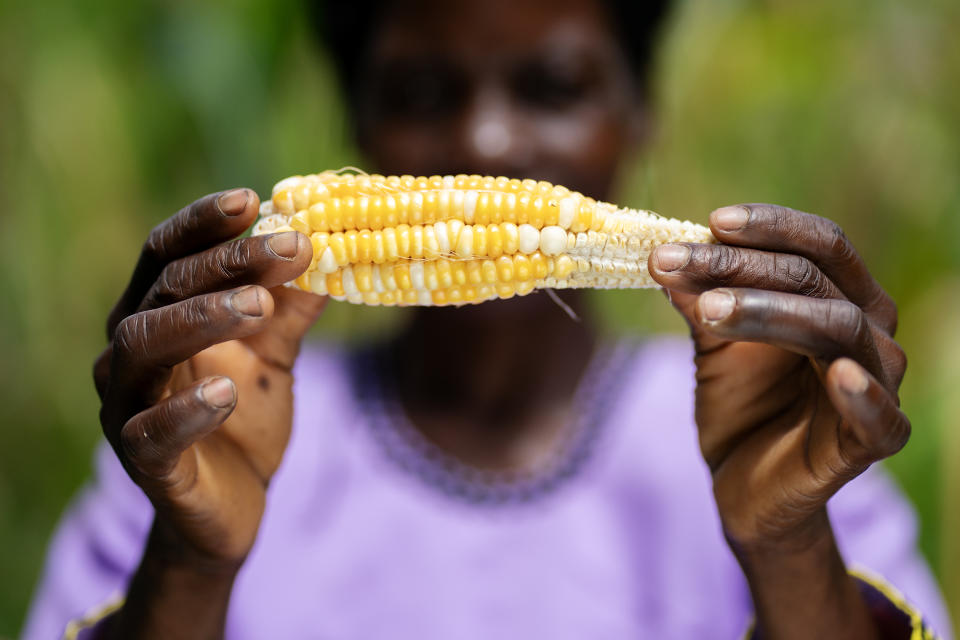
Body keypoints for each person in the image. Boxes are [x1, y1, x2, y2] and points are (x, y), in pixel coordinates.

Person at [22, 0, 953, 638]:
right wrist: (188, 564)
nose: (488, 141)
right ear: (355, 120)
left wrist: (788, 546)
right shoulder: (195, 431)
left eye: (552, 85)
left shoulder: (790, 430)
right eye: (424, 94)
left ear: (641, 112)